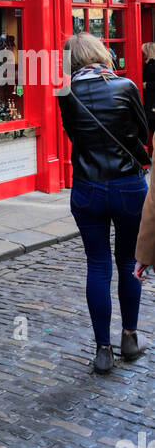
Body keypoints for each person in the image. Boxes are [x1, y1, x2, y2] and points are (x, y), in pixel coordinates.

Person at [58, 33, 150, 374]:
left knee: (97, 265)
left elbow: (74, 135)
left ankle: (102, 351)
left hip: (87, 188)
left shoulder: (64, 93)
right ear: (100, 52)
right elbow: (142, 134)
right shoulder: (125, 87)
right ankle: (129, 337)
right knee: (129, 260)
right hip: (127, 186)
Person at [142, 43, 155, 135]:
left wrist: (146, 85)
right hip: (149, 100)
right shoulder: (148, 63)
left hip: (152, 101)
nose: (142, 54)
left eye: (143, 51)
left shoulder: (152, 64)